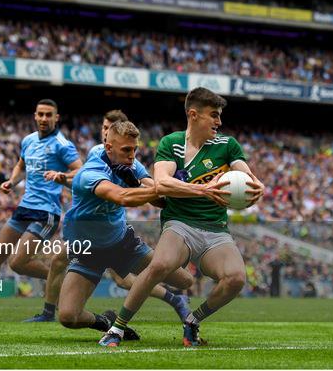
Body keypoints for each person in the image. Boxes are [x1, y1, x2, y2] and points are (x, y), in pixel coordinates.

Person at [100, 87, 265, 347]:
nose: (219, 122)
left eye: (219, 116)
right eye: (214, 115)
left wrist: (258, 186)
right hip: (179, 224)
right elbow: (162, 184)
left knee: (236, 279)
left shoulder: (227, 145)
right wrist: (204, 189)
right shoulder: (171, 143)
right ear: (194, 114)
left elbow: (247, 176)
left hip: (216, 229)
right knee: (159, 265)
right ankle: (117, 328)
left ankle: (193, 321)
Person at [24, 110, 190, 323]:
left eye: (135, 150)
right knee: (67, 317)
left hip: (121, 242)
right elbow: (122, 197)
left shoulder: (131, 163)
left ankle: (176, 299)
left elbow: (157, 198)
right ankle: (107, 323)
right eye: (127, 150)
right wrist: (161, 187)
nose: (132, 156)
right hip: (88, 249)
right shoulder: (91, 172)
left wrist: (170, 187)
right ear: (108, 147)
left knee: (184, 280)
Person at [0, 99, 82, 321]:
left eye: (48, 115)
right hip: (24, 208)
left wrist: (62, 177)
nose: (43, 118)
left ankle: (60, 279)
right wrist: (12, 181)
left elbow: (81, 172)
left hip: (46, 212)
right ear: (35, 115)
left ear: (56, 118)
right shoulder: (28, 140)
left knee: (18, 263)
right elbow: (21, 165)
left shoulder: (62, 144)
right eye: (40, 114)